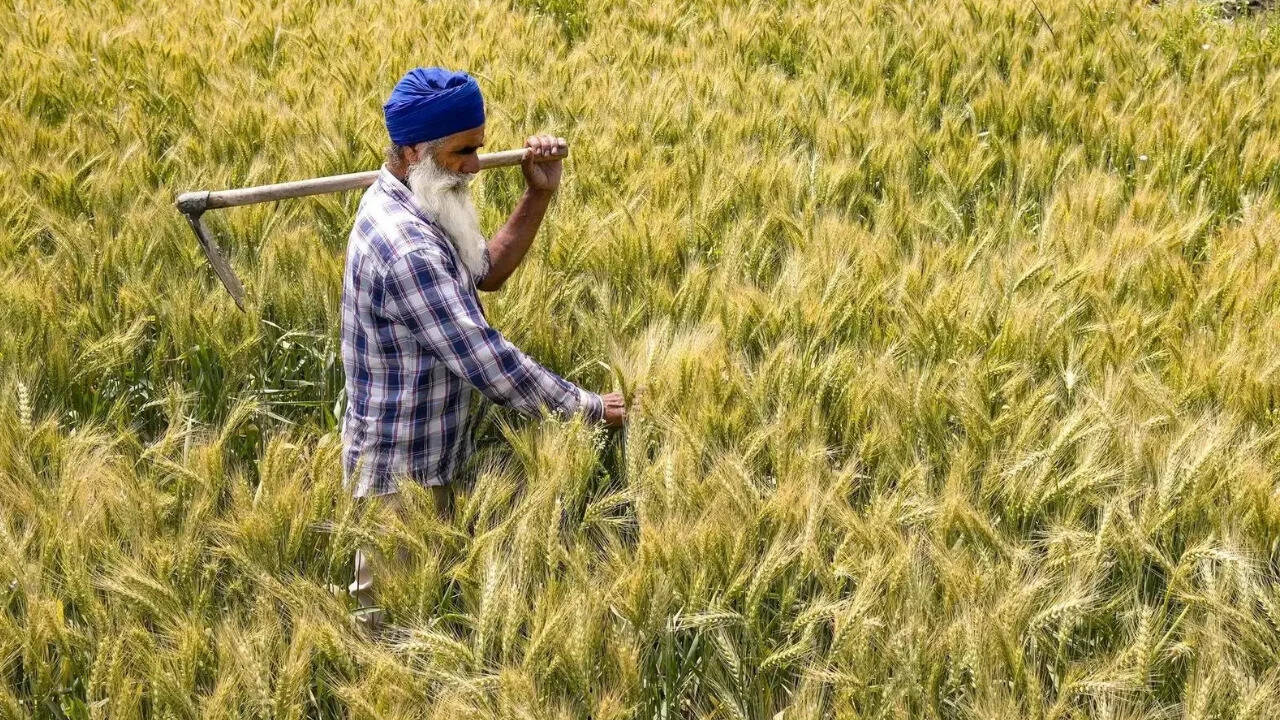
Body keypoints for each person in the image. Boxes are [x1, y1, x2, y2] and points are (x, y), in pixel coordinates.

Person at [338, 66, 628, 626]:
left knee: (427, 617)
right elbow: (487, 363)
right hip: (400, 476)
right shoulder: (406, 248)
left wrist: (537, 194)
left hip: (431, 456)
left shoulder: (420, 201)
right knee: (387, 631)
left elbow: (483, 272)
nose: (474, 167)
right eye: (461, 153)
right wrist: (587, 408)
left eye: (478, 148)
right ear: (414, 149)